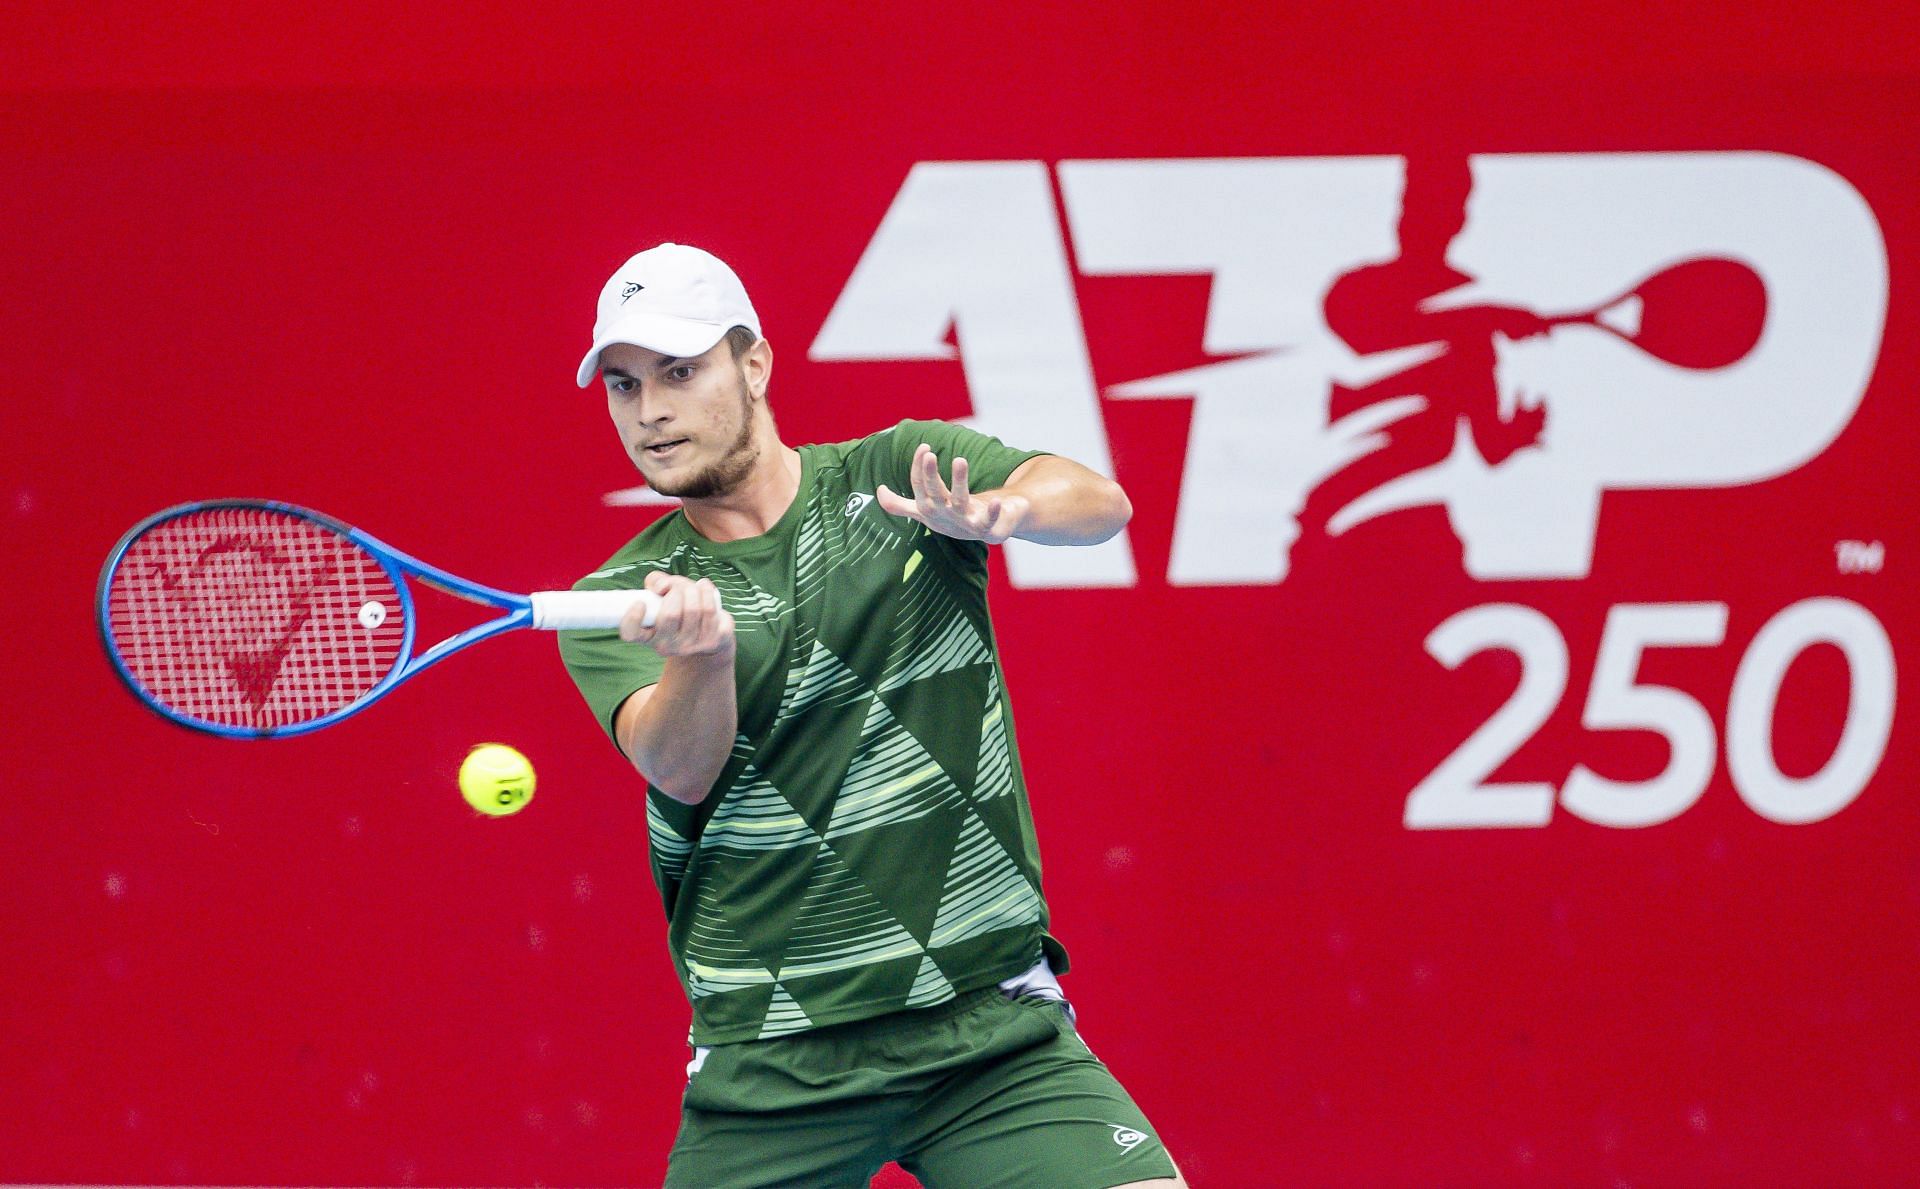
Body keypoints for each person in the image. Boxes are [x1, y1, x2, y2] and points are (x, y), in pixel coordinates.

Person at [558, 243, 1185, 1188]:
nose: (650, 411)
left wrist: (1002, 509)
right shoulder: (618, 596)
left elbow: (1100, 503)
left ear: (754, 363)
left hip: (989, 1034)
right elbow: (677, 766)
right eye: (623, 384)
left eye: (679, 372)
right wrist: (703, 660)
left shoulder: (899, 474)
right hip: (773, 1069)